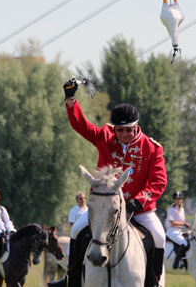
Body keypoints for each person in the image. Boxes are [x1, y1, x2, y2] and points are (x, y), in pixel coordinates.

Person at [48, 80, 167, 287]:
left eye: (127, 130)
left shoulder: (151, 148)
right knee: (76, 230)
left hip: (138, 210)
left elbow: (159, 181)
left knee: (159, 236)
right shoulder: (105, 136)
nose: (122, 134)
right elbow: (81, 126)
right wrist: (70, 100)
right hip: (104, 206)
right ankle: (72, 280)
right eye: (119, 130)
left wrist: (137, 202)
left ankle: (153, 283)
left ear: (136, 126)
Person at [165, 191, 190, 270]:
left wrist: (185, 225)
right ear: (174, 200)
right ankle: (176, 263)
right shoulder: (171, 210)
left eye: (180, 199)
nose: (178, 200)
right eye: (176, 199)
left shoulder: (182, 210)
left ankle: (184, 261)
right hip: (172, 231)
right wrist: (183, 223)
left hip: (179, 231)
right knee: (183, 243)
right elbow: (172, 223)